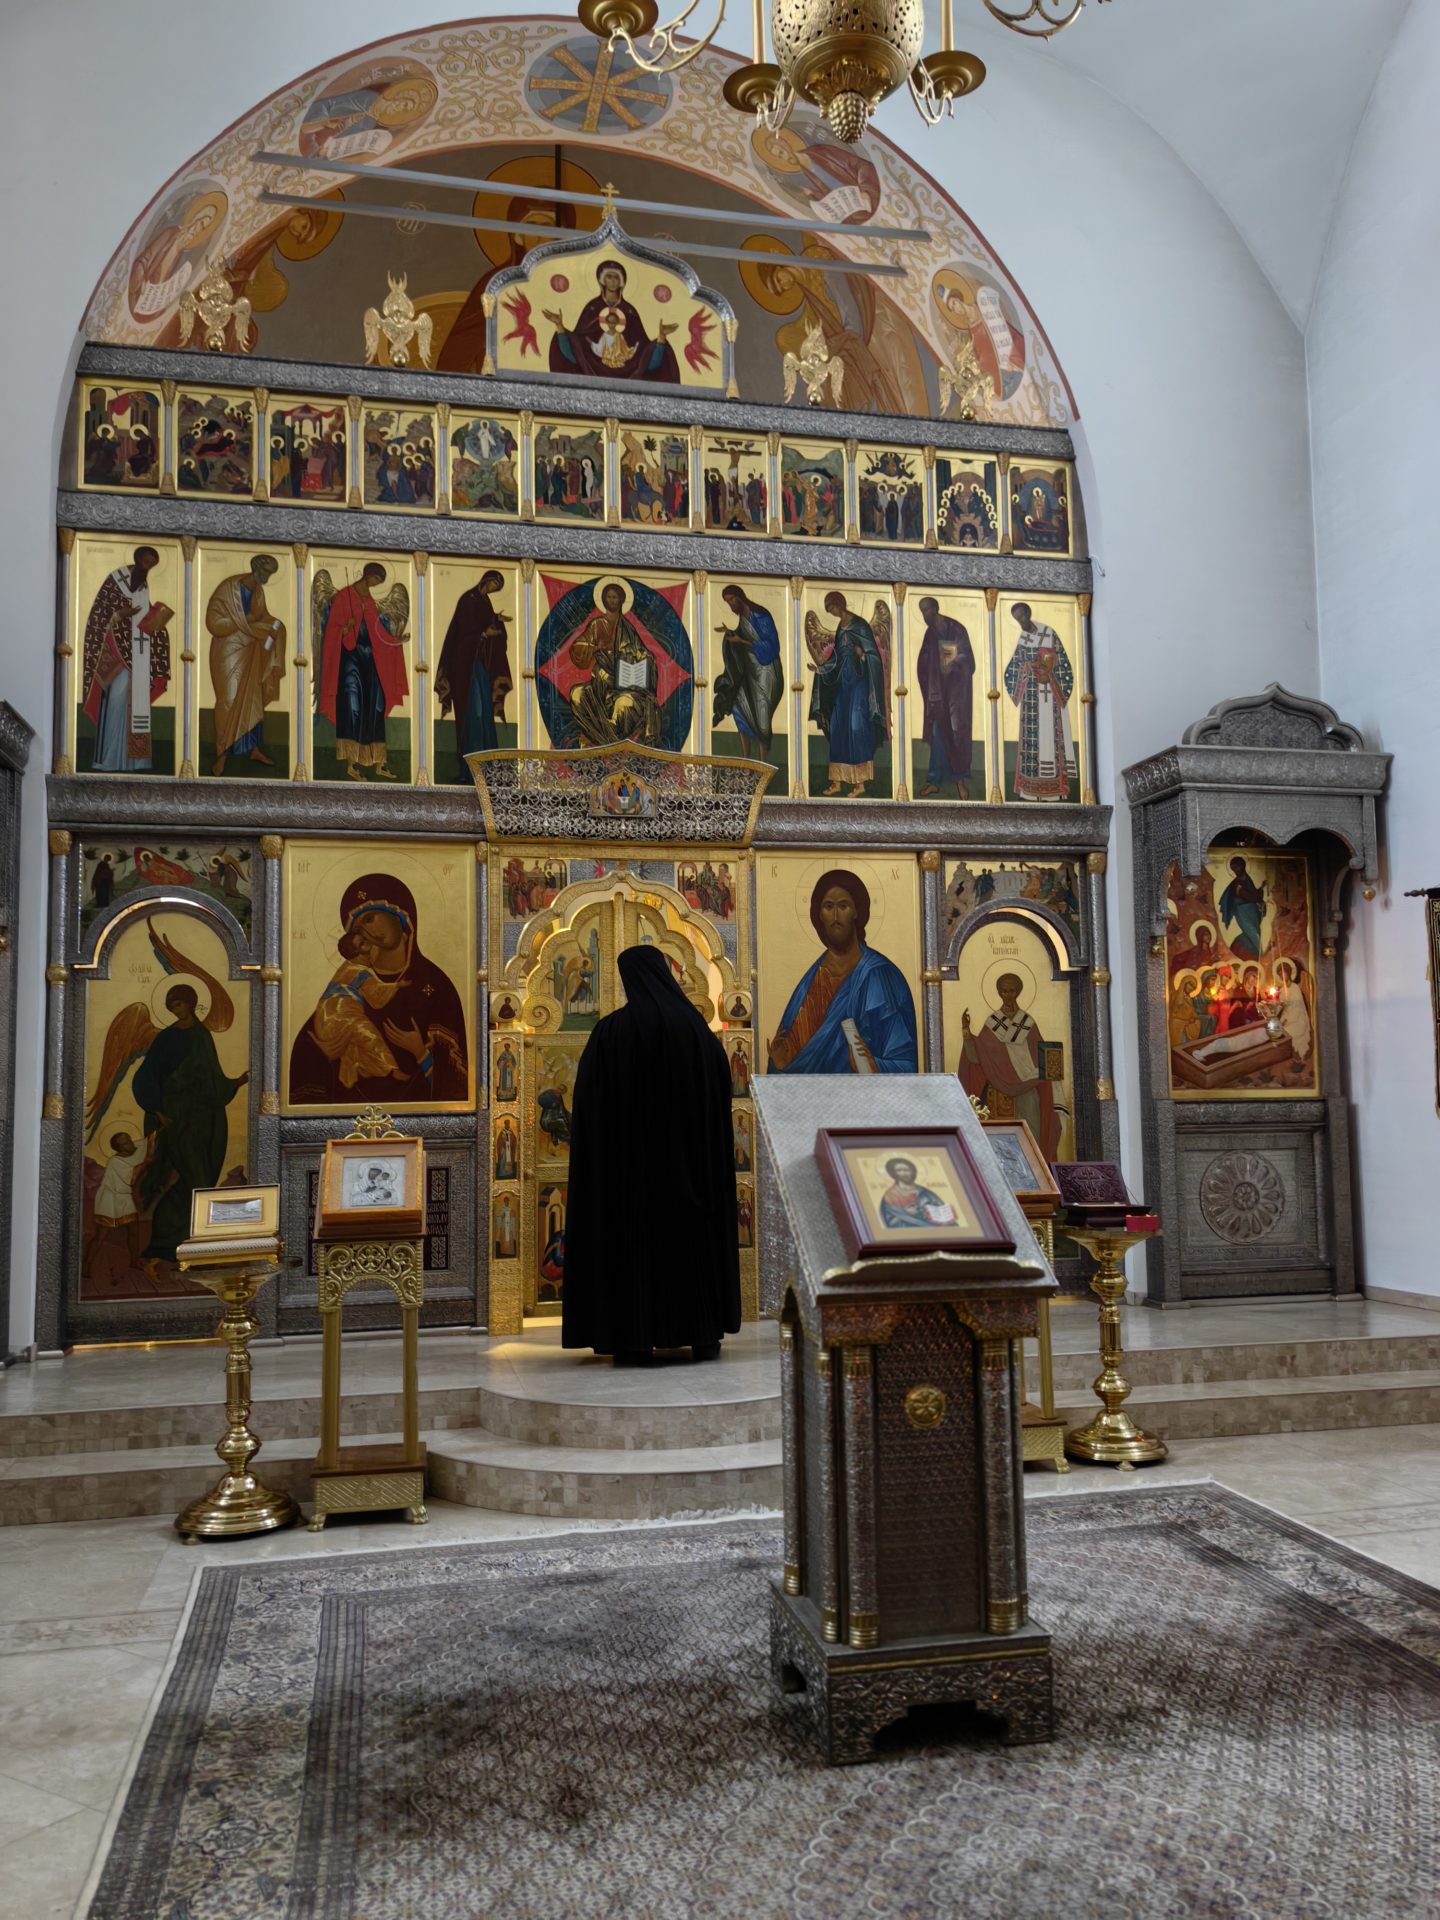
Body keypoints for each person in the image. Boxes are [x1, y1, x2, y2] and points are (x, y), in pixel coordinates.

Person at [563, 945, 740, 1364]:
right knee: (691, 1253)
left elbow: (588, 1111)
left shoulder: (610, 1034)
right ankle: (703, 1335)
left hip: (630, 1186)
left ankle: (634, 1341)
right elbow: (722, 1099)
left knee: (635, 1255)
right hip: (692, 1182)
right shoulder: (698, 1034)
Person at [288, 874, 468, 1105]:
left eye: (370, 918)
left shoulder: (436, 985)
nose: (364, 930)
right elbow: (308, 1049)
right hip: (347, 1115)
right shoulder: (351, 982)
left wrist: (420, 1053)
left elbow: (457, 1084)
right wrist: (324, 1054)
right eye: (357, 928)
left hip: (419, 1117)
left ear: (400, 916)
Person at [133, 984, 249, 1279]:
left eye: (180, 1004)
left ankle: (172, 1247)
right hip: (177, 1118)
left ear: (192, 1003)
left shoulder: (202, 1035)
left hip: (204, 1116)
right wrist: (157, 1110)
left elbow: (212, 1077)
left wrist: (234, 1083)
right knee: (198, 1181)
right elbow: (146, 1075)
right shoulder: (166, 1038)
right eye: (172, 1006)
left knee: (198, 1181)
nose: (177, 1010)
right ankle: (183, 1249)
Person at [767, 870, 918, 1075]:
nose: (836, 916)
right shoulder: (810, 983)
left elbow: (906, 1065)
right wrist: (781, 1065)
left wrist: (874, 1067)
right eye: (829, 906)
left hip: (864, 1094)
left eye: (843, 906)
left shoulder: (881, 976)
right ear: (819, 914)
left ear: (856, 911)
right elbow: (791, 1065)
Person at [80, 546, 172, 772]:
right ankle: (108, 759)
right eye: (146, 562)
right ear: (137, 559)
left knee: (136, 705)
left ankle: (136, 762)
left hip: (138, 656)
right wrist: (120, 615)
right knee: (115, 703)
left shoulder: (142, 587)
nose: (147, 568)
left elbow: (143, 617)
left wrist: (158, 624)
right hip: (115, 657)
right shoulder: (115, 580)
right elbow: (98, 618)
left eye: (151, 565)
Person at [958, 972, 1064, 1163]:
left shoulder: (1028, 1023)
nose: (1008, 995)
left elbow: (1040, 1056)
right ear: (999, 992)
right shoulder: (993, 1022)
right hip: (998, 1089)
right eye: (1004, 991)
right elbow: (977, 1056)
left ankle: (1034, 1172)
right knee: (999, 1140)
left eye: (1012, 991)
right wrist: (966, 1032)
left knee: (1031, 1135)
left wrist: (1051, 1068)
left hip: (1027, 1088)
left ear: (1018, 992)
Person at [316, 562, 408, 781]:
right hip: (350, 661)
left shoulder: (369, 601)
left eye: (380, 581)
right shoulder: (344, 597)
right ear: (368, 575)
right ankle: (351, 764)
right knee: (352, 707)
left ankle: (379, 762)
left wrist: (395, 640)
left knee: (376, 706)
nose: (376, 584)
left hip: (370, 661)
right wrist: (344, 629)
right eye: (376, 579)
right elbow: (331, 631)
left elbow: (378, 632)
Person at [205, 554, 286, 774]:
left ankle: (254, 749)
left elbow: (262, 617)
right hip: (228, 649)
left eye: (270, 573)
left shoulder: (258, 592)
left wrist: (276, 626)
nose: (267, 577)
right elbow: (213, 622)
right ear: (255, 568)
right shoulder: (228, 588)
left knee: (253, 700)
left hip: (251, 650)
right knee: (229, 700)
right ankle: (221, 755)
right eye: (265, 571)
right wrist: (244, 621)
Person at [546, 261, 680, 383]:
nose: (612, 281)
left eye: (616, 277)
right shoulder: (592, 308)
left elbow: (644, 356)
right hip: (592, 370)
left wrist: (661, 338)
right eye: (609, 277)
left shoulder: (629, 312)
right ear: (602, 280)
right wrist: (560, 326)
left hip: (628, 372)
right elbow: (577, 350)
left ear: (621, 282)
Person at [808, 591, 887, 797]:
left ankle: (860, 783)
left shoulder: (860, 625)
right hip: (842, 685)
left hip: (859, 684)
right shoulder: (840, 627)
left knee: (856, 727)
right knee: (837, 727)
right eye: (829, 610)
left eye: (832, 608)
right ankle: (837, 781)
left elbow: (874, 656)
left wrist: (863, 655)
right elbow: (837, 657)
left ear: (839, 604)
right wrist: (821, 669)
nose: (832, 613)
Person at [435, 568, 511, 776]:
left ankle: (488, 769)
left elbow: (484, 621)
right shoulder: (468, 599)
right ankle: (470, 770)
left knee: (485, 713)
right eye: (495, 584)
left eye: (498, 588)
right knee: (473, 713)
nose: (494, 589)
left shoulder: (485, 602)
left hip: (480, 665)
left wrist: (496, 619)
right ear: (487, 580)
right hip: (465, 669)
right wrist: (483, 633)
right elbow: (463, 632)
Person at [567, 582, 660, 746]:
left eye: (615, 597)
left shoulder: (628, 629)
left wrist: (645, 658)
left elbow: (641, 652)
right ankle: (599, 737)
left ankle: (607, 740)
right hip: (600, 684)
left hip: (623, 687)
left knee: (624, 705)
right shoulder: (597, 625)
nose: (611, 600)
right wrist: (593, 648)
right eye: (609, 597)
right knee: (577, 694)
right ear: (603, 600)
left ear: (621, 600)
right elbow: (579, 646)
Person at [1003, 603, 1075, 802]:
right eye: (1016, 620)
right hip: (1031, 701)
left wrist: (1049, 676)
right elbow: (1012, 669)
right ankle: (1029, 791)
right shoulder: (1023, 638)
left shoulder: (1049, 634)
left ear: (1028, 613)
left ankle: (1054, 792)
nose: (1020, 623)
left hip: (1050, 698)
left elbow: (1064, 666)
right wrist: (1025, 669)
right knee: (1031, 744)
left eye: (1021, 617)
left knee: (1050, 739)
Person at [915, 596, 976, 797]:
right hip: (937, 694)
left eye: (926, 610)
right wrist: (929, 669)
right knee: (937, 735)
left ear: (935, 608)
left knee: (956, 736)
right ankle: (934, 781)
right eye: (922, 611)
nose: (924, 615)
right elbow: (923, 662)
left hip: (956, 695)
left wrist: (953, 664)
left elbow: (968, 659)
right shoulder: (930, 633)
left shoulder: (956, 629)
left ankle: (960, 783)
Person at [713, 584, 784, 755]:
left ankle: (763, 764)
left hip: (766, 673)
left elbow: (772, 646)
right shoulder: (743, 618)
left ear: (740, 597)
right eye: (727, 602)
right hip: (748, 672)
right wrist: (729, 633)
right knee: (739, 708)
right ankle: (746, 761)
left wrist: (740, 641)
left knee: (762, 719)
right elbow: (742, 638)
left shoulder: (761, 616)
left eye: (731, 599)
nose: (730, 604)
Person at [84, 1129, 150, 1277]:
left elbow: (147, 1143)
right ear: (119, 1148)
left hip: (124, 1197)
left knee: (134, 1230)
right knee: (101, 1235)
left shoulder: (135, 1152)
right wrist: (145, 1164)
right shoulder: (115, 1162)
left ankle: (134, 1261)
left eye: (129, 1140)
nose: (130, 1144)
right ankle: (86, 1265)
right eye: (125, 1143)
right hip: (109, 1198)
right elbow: (131, 1176)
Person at [878, 1157, 956, 1230]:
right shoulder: (891, 1195)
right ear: (893, 1173)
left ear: (913, 1172)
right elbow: (891, 1221)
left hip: (936, 1228)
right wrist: (907, 1213)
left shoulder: (925, 1192)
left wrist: (947, 1214)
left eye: (907, 1170)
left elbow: (941, 1209)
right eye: (899, 1170)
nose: (904, 1173)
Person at [1219, 856, 1267, 961]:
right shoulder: (1237, 884)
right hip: (1243, 912)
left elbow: (1253, 895)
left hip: (1252, 912)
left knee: (1253, 933)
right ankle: (1263, 957)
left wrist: (1260, 890)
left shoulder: (1247, 879)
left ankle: (1243, 950)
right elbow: (1250, 896)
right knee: (1253, 934)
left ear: (1243, 866)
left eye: (1237, 867)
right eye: (1233, 869)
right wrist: (1260, 891)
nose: (1235, 871)